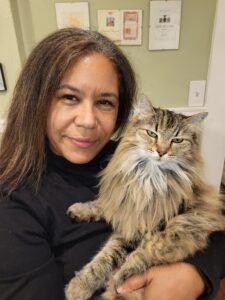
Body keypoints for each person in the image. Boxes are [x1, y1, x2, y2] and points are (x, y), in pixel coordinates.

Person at [0, 27, 224, 300]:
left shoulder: (126, 154)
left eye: (105, 102)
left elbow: (216, 230)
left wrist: (196, 274)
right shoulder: (12, 203)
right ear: (36, 100)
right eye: (70, 97)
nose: (87, 121)